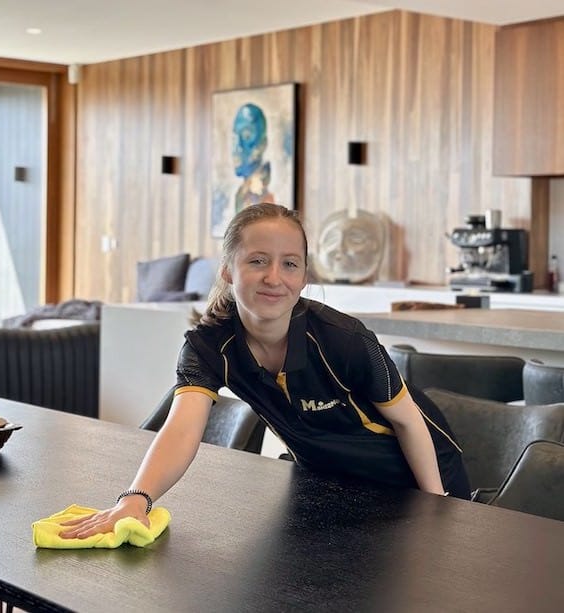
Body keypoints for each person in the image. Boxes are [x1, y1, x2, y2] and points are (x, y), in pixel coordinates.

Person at [60, 203, 470, 539]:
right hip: (331, 483)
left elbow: (411, 424)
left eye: (290, 264)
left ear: (304, 276)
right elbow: (182, 429)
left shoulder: (344, 339)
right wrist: (136, 499)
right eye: (258, 261)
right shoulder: (207, 346)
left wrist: (434, 508)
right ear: (228, 271)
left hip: (418, 479)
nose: (275, 277)